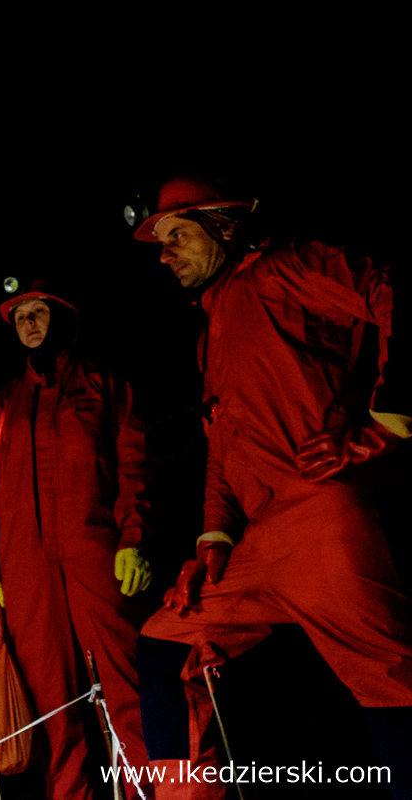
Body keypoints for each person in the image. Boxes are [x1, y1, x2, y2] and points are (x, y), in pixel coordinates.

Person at [133, 176, 412, 799]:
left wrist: (392, 414)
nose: (163, 251)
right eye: (159, 239)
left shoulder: (288, 268)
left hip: (320, 517)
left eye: (177, 234)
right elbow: (222, 446)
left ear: (225, 225)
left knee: (393, 682)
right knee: (163, 642)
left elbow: (397, 287)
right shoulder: (214, 325)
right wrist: (215, 535)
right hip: (257, 541)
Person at [0, 281, 154, 800]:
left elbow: (135, 465)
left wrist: (134, 538)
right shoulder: (1, 406)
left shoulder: (104, 384)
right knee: (52, 705)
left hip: (97, 554)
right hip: (26, 570)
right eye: (19, 315)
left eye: (37, 311)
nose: (28, 322)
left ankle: (148, 794)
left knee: (125, 688)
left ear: (62, 315)